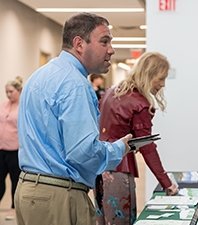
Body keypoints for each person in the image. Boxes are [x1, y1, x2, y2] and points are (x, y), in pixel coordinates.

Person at [15, 13, 133, 225]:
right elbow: (83, 152)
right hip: (59, 195)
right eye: (104, 41)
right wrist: (119, 149)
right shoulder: (75, 84)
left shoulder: (39, 76)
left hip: (29, 191)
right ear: (79, 44)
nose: (111, 50)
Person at [94, 52, 178, 225]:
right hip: (118, 171)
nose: (162, 85)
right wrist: (166, 183)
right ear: (149, 74)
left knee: (102, 221)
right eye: (160, 79)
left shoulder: (113, 91)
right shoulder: (139, 103)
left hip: (99, 170)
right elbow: (147, 147)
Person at [0, 77, 23, 212]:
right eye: (6, 92)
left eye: (11, 91)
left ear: (19, 91)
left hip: (15, 150)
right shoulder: (3, 105)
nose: (8, 95)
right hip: (1, 149)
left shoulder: (23, 107)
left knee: (15, 181)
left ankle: (14, 209)